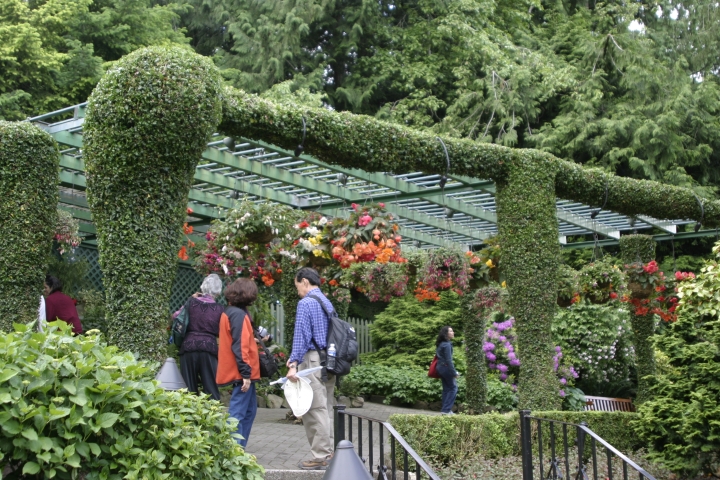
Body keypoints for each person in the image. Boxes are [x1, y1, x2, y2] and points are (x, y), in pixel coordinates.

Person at [286, 267, 336, 471]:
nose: (298, 290)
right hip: (329, 361)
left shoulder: (306, 303)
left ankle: (321, 456)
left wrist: (293, 364)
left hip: (313, 361)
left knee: (314, 408)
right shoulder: (326, 302)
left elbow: (301, 336)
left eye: (297, 285)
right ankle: (330, 453)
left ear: (305, 281)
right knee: (326, 407)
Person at [216, 278, 260, 448]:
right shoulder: (239, 315)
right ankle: (233, 450)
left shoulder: (230, 312)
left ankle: (238, 449)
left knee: (248, 411)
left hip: (238, 370)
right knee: (238, 413)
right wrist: (245, 374)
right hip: (241, 373)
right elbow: (240, 346)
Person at [176, 274, 224, 401]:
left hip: (188, 347)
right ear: (218, 291)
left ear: (203, 287)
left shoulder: (191, 302)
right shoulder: (220, 309)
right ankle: (213, 412)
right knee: (211, 390)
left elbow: (176, 317)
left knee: (187, 391)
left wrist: (189, 299)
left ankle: (188, 412)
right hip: (209, 348)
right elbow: (223, 330)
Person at [436, 325, 459, 415]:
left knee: (446, 389)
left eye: (452, 331)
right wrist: (454, 372)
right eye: (451, 331)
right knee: (453, 388)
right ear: (446, 333)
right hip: (445, 368)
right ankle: (446, 410)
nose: (453, 332)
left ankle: (445, 410)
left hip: (440, 368)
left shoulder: (441, 343)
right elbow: (449, 360)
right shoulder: (447, 344)